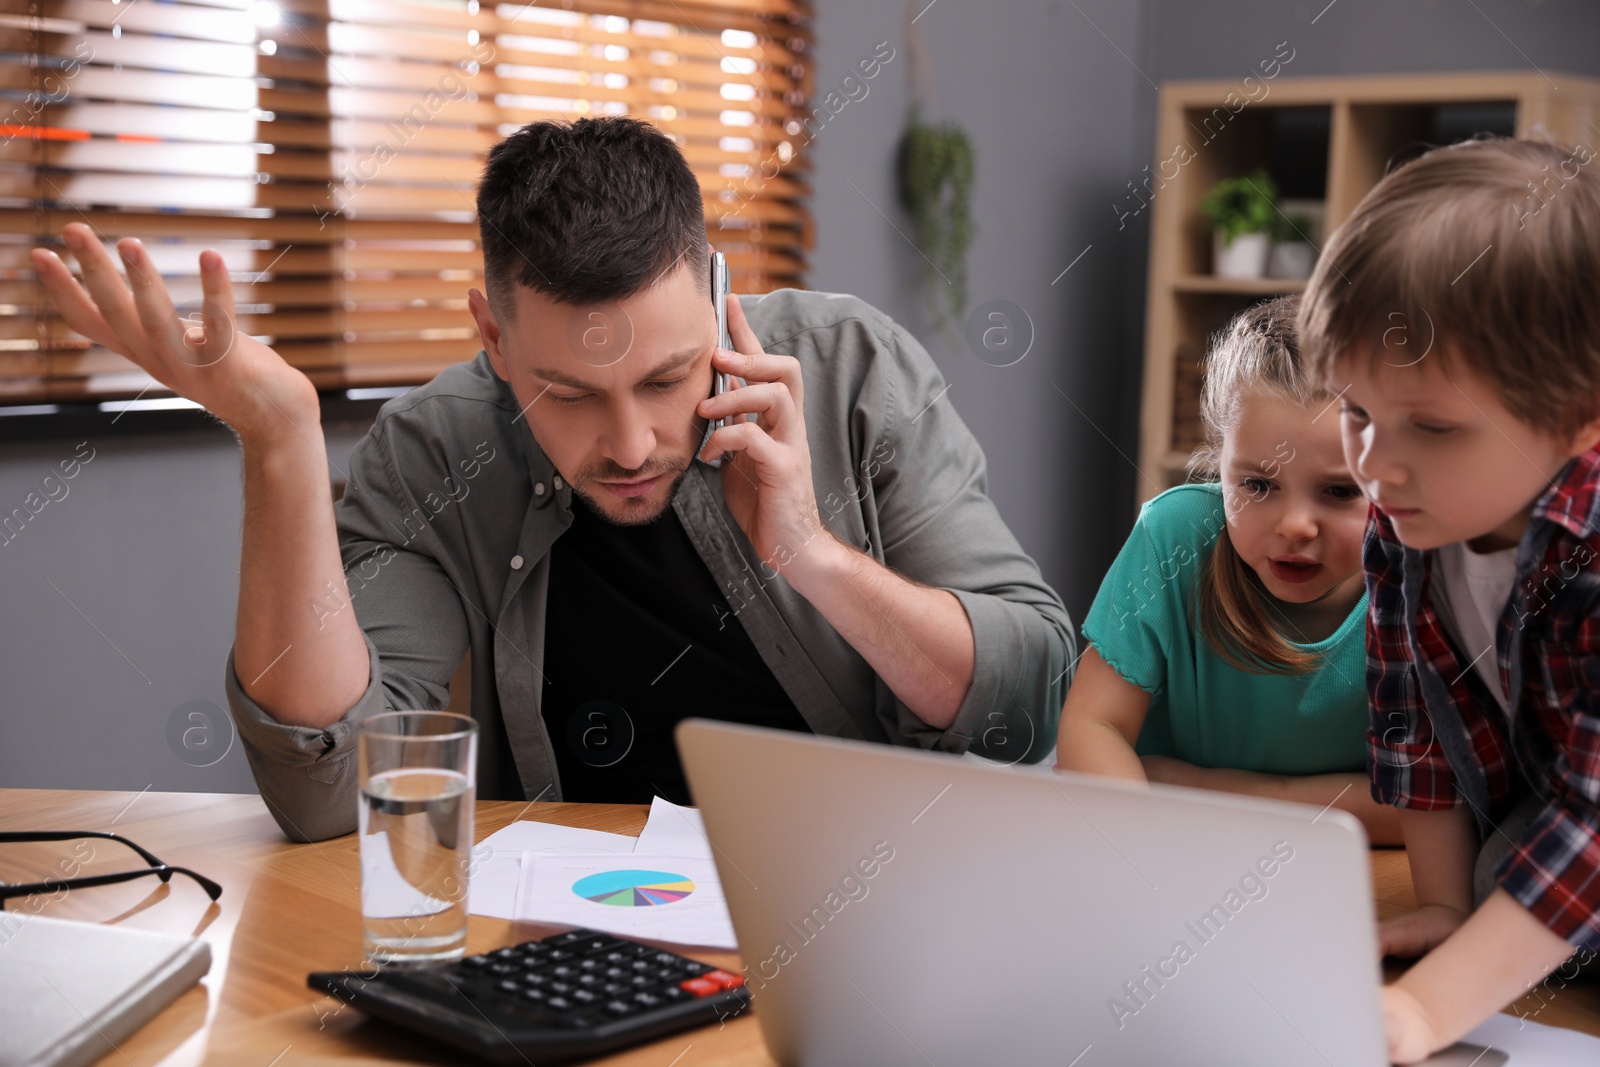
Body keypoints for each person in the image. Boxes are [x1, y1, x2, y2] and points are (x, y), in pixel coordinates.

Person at [30, 117, 1073, 841]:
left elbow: (1022, 698)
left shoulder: (851, 367)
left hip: (861, 896)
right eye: (569, 392)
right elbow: (329, 784)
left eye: (667, 378)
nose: (628, 442)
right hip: (574, 934)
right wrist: (279, 435)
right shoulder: (436, 451)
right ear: (489, 333)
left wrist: (810, 552)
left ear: (714, 297)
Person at [1299, 137, 1600, 1062]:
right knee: (1494, 869)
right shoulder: (1405, 519)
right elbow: (1411, 726)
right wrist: (1441, 908)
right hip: (1546, 809)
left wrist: (1427, 1010)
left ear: (1581, 416)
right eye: (1355, 411)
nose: (1376, 467)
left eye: (1432, 426)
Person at [1056, 296, 1400, 843]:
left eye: (1339, 491)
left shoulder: (1421, 570)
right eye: (1257, 485)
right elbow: (1090, 727)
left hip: (1331, 865)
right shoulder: (1174, 535)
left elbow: (1426, 806)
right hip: (1169, 843)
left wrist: (1202, 787)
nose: (1294, 526)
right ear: (1219, 461)